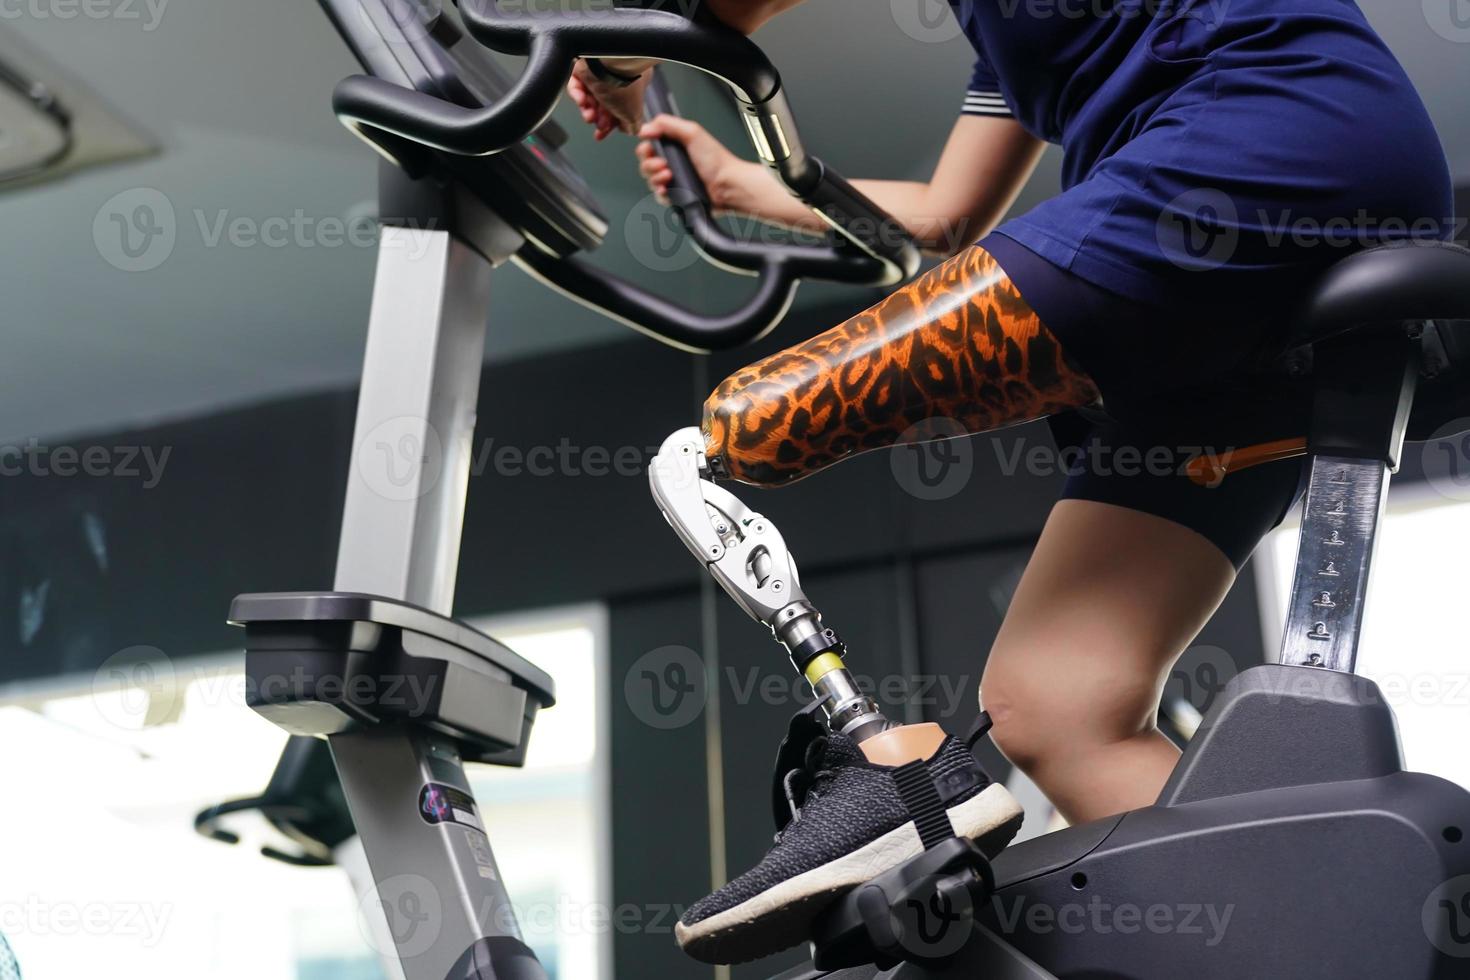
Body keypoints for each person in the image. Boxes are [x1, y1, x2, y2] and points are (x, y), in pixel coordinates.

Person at [569, 0, 1454, 964]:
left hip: (1259, 145)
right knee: (1056, 702)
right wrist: (747, 184)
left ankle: (893, 775)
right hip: (1232, 248)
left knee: (730, 434)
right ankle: (1321, 946)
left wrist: (619, 58)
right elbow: (948, 213)